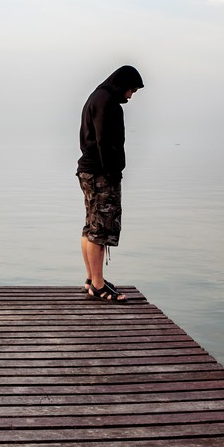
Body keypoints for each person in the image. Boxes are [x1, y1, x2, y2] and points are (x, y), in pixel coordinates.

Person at [76, 65, 144, 303]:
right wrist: (112, 173)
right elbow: (105, 140)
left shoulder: (98, 96)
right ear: (123, 84)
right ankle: (97, 285)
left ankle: (91, 279)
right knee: (100, 230)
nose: (130, 96)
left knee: (91, 226)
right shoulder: (107, 101)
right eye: (131, 90)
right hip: (100, 173)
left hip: (89, 171)